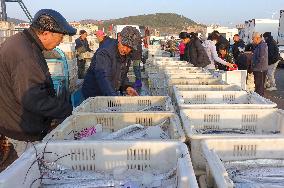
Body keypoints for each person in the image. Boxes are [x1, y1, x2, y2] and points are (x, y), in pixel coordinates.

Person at [0, 9, 75, 168]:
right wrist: (66, 109)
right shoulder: (25, 54)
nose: (60, 42)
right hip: (19, 132)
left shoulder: (25, 43)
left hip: (16, 123)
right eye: (60, 37)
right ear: (46, 33)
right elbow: (33, 99)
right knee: (24, 174)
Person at [82, 26, 140, 98]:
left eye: (129, 47)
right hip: (95, 93)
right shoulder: (105, 51)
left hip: (110, 92)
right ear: (119, 37)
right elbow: (103, 78)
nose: (125, 49)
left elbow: (122, 74)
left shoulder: (127, 54)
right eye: (124, 44)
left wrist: (126, 87)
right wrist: (114, 98)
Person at [252, 32, 268, 96]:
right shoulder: (259, 45)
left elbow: (261, 58)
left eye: (253, 38)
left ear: (257, 38)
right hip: (258, 69)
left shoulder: (262, 46)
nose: (252, 40)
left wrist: (254, 65)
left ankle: (260, 101)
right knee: (258, 86)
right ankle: (258, 98)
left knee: (259, 88)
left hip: (260, 69)